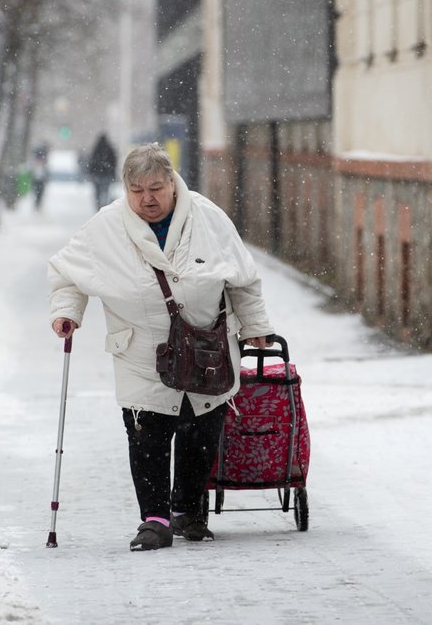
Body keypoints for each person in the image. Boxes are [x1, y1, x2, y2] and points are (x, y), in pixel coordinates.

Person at [47, 143, 274, 551]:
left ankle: (188, 509)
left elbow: (244, 279)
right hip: (141, 351)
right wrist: (67, 313)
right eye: (137, 190)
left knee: (201, 428)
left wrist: (256, 326)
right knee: (147, 433)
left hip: (207, 349)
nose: (147, 199)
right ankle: (154, 519)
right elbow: (67, 274)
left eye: (155, 187)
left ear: (172, 182)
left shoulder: (209, 219)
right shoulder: (105, 227)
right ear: (126, 189)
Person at [86, 133, 117, 209]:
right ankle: (104, 204)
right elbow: (114, 162)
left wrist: (91, 172)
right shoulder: (109, 149)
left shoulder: (96, 149)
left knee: (98, 191)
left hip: (97, 175)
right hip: (107, 175)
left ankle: (99, 204)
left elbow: (91, 162)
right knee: (105, 190)